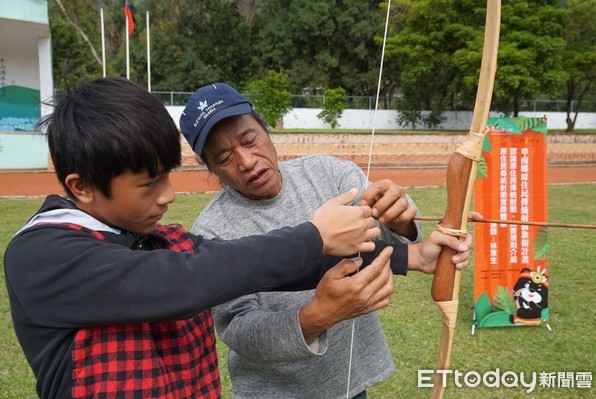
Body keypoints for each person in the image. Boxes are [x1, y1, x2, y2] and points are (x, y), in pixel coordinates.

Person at [4, 77, 419, 399]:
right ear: (82, 187)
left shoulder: (160, 237)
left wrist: (414, 256)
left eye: (167, 175)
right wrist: (313, 235)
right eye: (150, 184)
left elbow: (262, 267)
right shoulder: (43, 254)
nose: (168, 195)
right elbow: (187, 279)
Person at [179, 83, 472, 398]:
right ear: (209, 167)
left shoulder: (328, 172)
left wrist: (402, 221)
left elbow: (384, 235)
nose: (247, 161)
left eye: (250, 140)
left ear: (266, 129)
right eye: (224, 158)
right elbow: (238, 328)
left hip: (349, 382)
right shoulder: (210, 230)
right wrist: (318, 316)